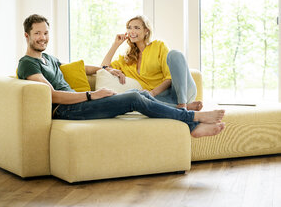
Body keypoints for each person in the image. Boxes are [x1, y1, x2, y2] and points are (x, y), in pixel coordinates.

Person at [17, 14, 225, 138]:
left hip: (79, 104)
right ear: (27, 36)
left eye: (45, 33)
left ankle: (189, 121)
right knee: (135, 98)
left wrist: (105, 70)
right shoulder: (27, 63)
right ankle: (193, 119)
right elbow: (51, 95)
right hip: (67, 110)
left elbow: (87, 68)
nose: (43, 38)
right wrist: (91, 95)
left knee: (138, 93)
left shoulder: (49, 59)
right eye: (37, 33)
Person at [101, 15, 202, 111]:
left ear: (146, 31)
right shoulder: (127, 58)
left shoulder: (158, 46)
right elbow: (103, 67)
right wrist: (115, 44)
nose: (132, 31)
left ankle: (183, 105)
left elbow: (169, 78)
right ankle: (180, 107)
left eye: (136, 28)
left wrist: (152, 93)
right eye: (129, 27)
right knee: (134, 95)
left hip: (180, 91)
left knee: (174, 54)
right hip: (160, 99)